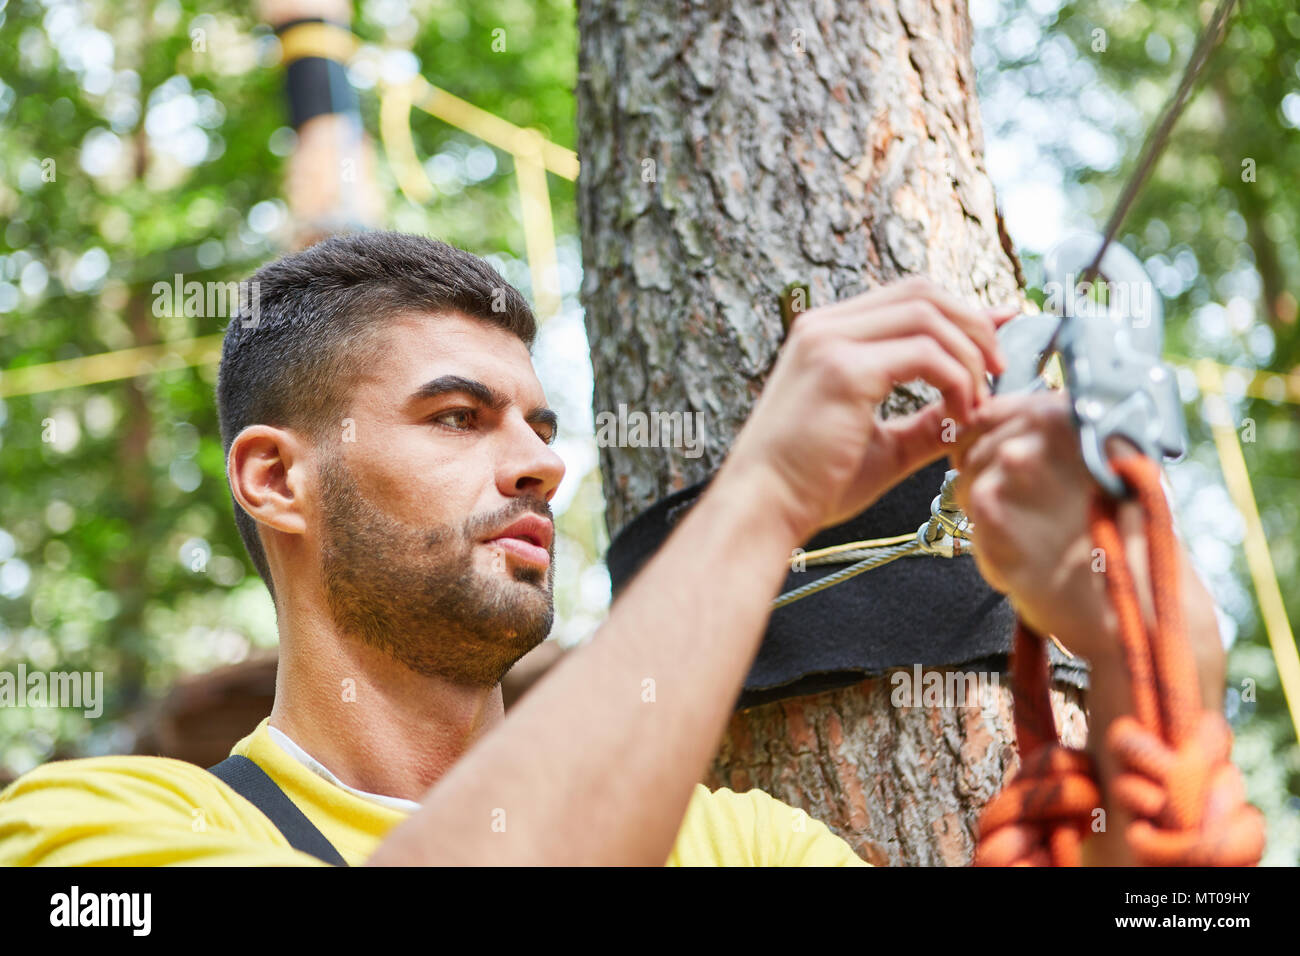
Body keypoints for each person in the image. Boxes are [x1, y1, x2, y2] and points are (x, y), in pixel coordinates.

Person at [0, 231, 1223, 866]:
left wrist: (1145, 648)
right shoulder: (93, 829)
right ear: (280, 477)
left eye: (541, 423)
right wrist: (763, 499)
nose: (537, 460)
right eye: (456, 416)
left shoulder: (742, 844)